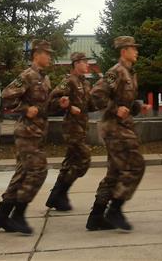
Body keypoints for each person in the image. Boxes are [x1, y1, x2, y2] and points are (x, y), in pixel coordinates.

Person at [0, 40, 66, 235]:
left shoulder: (44, 78)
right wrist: (25, 109)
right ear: (36, 55)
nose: (49, 57)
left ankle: (2, 216)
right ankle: (18, 215)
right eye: (46, 53)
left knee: (22, 174)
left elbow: (45, 108)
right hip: (27, 132)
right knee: (39, 171)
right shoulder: (27, 75)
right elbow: (7, 95)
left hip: (38, 133)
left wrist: (59, 104)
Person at [88, 36, 144, 231]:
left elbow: (125, 102)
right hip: (114, 128)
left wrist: (136, 107)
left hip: (123, 126)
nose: (136, 51)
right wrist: (115, 109)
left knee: (114, 173)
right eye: (133, 48)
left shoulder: (130, 73)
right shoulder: (116, 71)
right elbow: (97, 94)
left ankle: (96, 217)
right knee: (135, 166)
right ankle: (115, 209)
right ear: (124, 51)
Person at [46, 51, 95, 211]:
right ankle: (60, 193)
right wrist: (66, 105)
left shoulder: (85, 83)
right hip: (72, 128)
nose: (87, 64)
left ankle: (56, 196)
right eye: (84, 62)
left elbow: (91, 105)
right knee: (84, 159)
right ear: (76, 63)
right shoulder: (68, 81)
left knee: (70, 162)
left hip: (82, 128)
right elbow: (51, 101)